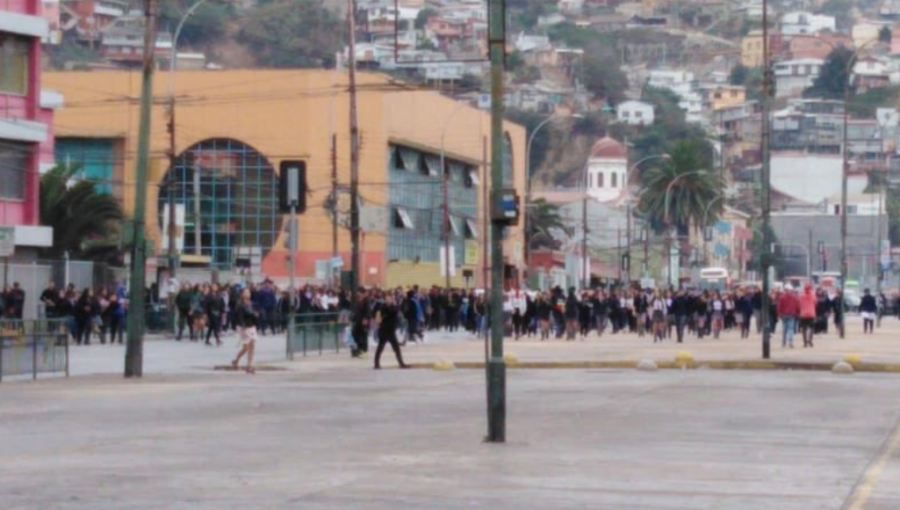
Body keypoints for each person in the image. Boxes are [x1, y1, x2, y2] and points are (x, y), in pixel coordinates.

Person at [373, 293, 410, 369]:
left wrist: (386, 310)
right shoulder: (382, 307)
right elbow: (377, 314)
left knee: (396, 348)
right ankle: (376, 364)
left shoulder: (393, 307)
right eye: (386, 299)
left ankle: (401, 363)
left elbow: (393, 312)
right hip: (383, 330)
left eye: (389, 299)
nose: (388, 300)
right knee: (380, 347)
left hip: (390, 331)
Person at [231, 289, 258, 374]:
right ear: (242, 294)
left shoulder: (251, 303)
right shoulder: (240, 304)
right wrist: (243, 326)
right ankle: (248, 365)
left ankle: (239, 361)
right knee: (249, 346)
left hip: (251, 326)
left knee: (250, 346)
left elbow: (253, 313)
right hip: (244, 327)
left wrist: (256, 315)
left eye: (249, 292)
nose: (248, 294)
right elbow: (239, 316)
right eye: (246, 292)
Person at [798, 284, 817, 348]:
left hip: (803, 314)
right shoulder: (813, 295)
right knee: (812, 328)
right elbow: (815, 303)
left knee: (804, 329)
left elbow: (799, 304)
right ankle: (810, 339)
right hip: (811, 314)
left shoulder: (801, 296)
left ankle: (805, 342)